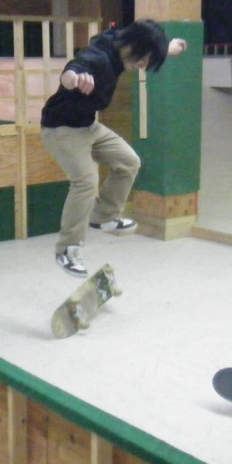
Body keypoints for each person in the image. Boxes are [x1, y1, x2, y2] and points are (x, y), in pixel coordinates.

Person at [40, 19, 187, 277]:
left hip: (88, 126)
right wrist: (75, 79)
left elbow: (139, 36)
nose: (143, 65)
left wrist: (167, 48)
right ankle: (67, 250)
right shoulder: (96, 58)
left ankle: (104, 216)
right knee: (86, 182)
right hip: (61, 129)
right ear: (133, 47)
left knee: (129, 162)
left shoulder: (119, 41)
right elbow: (70, 71)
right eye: (144, 59)